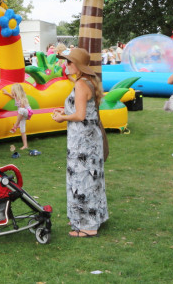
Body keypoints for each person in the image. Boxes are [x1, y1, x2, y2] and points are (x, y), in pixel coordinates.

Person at [51, 47, 108, 237]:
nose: (66, 65)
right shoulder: (88, 82)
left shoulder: (81, 84)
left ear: (78, 65)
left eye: (69, 62)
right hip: (88, 138)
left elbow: (80, 115)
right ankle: (87, 217)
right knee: (91, 179)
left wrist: (62, 118)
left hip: (83, 141)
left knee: (82, 179)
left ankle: (88, 226)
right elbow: (83, 111)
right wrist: (65, 112)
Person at [7, 83, 31, 150]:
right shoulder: (16, 97)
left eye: (12, 90)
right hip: (21, 114)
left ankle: (15, 125)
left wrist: (17, 123)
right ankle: (25, 145)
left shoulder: (22, 98)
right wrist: (7, 93)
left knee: (21, 109)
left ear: (16, 91)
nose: (11, 92)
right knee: (22, 130)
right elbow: (12, 96)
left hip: (27, 112)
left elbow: (22, 109)